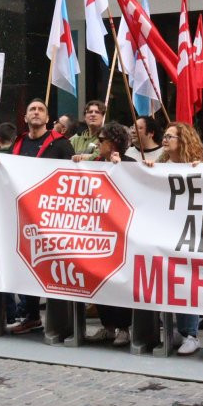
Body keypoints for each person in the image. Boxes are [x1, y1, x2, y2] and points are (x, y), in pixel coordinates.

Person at [7, 99, 75, 334]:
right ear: (25, 118)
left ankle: (59, 322)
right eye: (32, 110)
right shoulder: (17, 144)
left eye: (41, 110)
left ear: (48, 119)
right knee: (26, 264)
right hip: (25, 217)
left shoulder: (62, 145)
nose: (36, 113)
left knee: (51, 268)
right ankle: (31, 315)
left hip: (53, 218)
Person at [84, 122, 134, 346]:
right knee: (99, 280)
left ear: (113, 143)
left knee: (120, 282)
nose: (98, 143)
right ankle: (108, 327)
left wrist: (120, 169)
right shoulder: (94, 164)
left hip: (121, 235)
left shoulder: (131, 164)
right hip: (97, 233)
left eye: (102, 140)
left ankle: (124, 328)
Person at [157, 122, 203, 355]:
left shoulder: (196, 166)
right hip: (165, 232)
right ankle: (174, 328)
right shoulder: (159, 166)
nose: (165, 139)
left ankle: (191, 333)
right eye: (165, 136)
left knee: (187, 282)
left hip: (189, 233)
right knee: (168, 281)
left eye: (171, 136)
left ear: (183, 140)